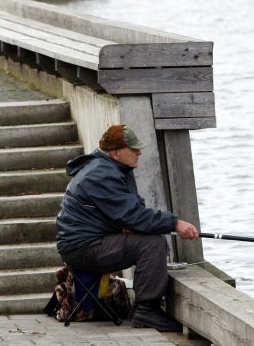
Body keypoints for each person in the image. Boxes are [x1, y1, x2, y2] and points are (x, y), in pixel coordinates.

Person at [56, 124, 199, 332]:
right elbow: (135, 216)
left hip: (90, 240)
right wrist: (175, 223)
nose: (139, 152)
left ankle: (146, 306)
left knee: (149, 237)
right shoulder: (102, 175)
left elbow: (132, 211)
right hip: (82, 248)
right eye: (133, 149)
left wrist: (126, 224)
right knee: (152, 244)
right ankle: (146, 310)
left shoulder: (114, 167)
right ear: (116, 153)